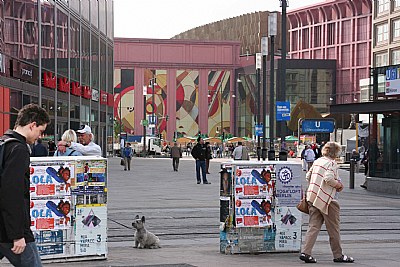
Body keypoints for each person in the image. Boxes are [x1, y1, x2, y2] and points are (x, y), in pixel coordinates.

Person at [0, 103, 50, 267]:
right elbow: (12, 193)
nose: (40, 137)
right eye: (40, 131)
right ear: (32, 124)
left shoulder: (3, 143)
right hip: (10, 230)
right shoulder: (19, 149)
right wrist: (17, 235)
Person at [299, 141, 354, 264]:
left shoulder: (317, 161)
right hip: (328, 200)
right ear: (335, 153)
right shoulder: (332, 163)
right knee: (333, 228)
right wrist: (338, 184)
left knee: (313, 226)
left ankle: (306, 252)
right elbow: (328, 178)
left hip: (313, 197)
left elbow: (308, 176)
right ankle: (338, 255)